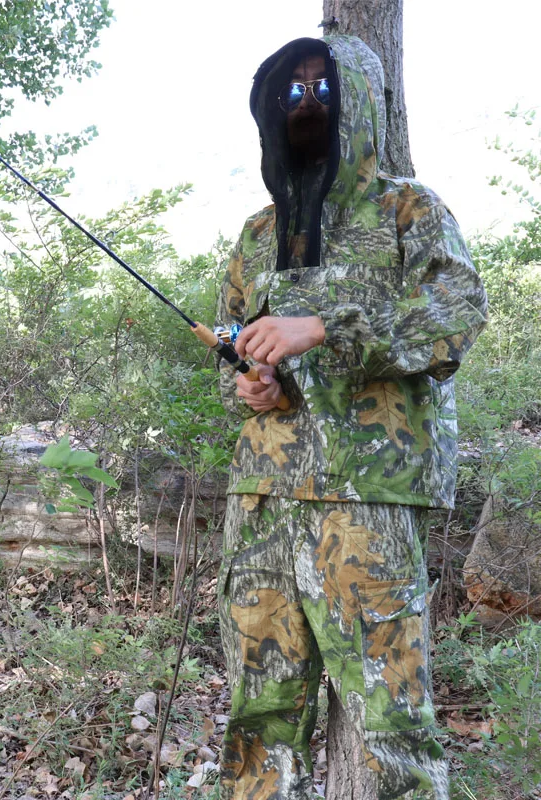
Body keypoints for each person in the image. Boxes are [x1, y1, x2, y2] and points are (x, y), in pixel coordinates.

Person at [214, 35, 488, 800]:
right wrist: (252, 381)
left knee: (392, 729)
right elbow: (229, 341)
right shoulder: (257, 236)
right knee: (258, 720)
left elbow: (456, 314)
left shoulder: (410, 209)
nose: (308, 103)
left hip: (366, 504)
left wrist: (327, 325)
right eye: (294, 90)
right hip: (264, 501)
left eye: (324, 89)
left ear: (359, 103)